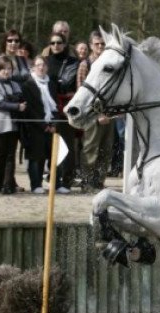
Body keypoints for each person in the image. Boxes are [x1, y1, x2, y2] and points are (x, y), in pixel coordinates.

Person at [0, 29, 30, 192]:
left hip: (17, 108)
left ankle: (9, 181)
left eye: (16, 40)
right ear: (5, 42)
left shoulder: (22, 60)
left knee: (11, 149)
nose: (13, 43)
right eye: (10, 40)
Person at [77, 31, 114, 191]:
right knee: (90, 149)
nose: (100, 46)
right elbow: (82, 92)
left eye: (102, 44)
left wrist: (109, 113)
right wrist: (97, 114)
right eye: (97, 44)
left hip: (109, 114)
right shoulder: (86, 64)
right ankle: (87, 182)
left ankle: (99, 181)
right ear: (91, 45)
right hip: (92, 115)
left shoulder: (110, 63)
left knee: (106, 149)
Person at [47, 32, 79, 193]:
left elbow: (78, 85)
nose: (56, 45)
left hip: (67, 110)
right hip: (50, 109)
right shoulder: (45, 62)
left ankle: (66, 181)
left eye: (59, 42)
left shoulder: (74, 63)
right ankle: (52, 178)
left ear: (65, 44)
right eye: (52, 43)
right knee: (50, 147)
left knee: (68, 147)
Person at [21, 56, 57, 193]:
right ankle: (36, 185)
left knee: (51, 155)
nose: (41, 67)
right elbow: (29, 109)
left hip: (51, 125)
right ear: (33, 67)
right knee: (36, 157)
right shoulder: (27, 85)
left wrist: (53, 123)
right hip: (34, 127)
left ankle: (52, 183)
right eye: (38, 65)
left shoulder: (51, 84)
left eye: (43, 65)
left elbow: (55, 105)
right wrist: (43, 125)